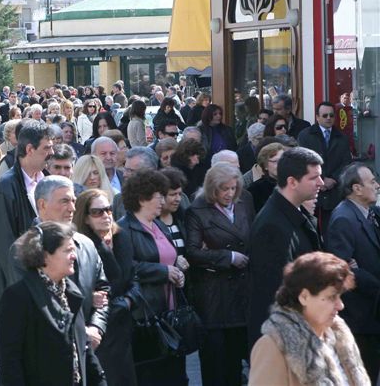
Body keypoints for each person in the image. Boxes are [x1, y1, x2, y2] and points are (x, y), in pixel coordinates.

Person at [0, 221, 107, 386]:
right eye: (67, 250)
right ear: (44, 256)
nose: (74, 256)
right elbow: (9, 362)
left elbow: (83, 349)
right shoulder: (18, 297)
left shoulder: (71, 292)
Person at [249, 252, 370, 386]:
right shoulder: (273, 346)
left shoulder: (340, 336)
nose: (340, 305)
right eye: (332, 297)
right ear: (304, 297)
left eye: (340, 296)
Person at [185, 163, 255, 386]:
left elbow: (252, 235)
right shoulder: (198, 210)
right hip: (215, 295)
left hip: (243, 291)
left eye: (233, 188)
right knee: (216, 361)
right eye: (224, 189)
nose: (229, 193)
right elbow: (192, 252)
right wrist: (228, 257)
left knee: (236, 358)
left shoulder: (244, 203)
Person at [247, 147, 324, 349]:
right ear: (292, 182)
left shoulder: (294, 214)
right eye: (314, 177)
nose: (321, 183)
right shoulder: (271, 226)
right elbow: (276, 293)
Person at [117, 169, 187, 385]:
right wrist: (164, 272)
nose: (163, 201)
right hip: (146, 314)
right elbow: (127, 268)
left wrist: (176, 269)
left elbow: (166, 256)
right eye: (159, 196)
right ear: (142, 198)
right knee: (153, 374)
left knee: (175, 373)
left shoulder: (158, 225)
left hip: (169, 310)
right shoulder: (124, 229)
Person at [0, 121, 54, 317]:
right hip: (21, 291)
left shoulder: (47, 179)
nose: (51, 152)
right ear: (30, 149)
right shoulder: (6, 187)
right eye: (47, 148)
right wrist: (25, 292)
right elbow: (5, 245)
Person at [74, 189, 139, 386]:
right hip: (100, 326)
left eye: (108, 210)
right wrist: (89, 296)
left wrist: (128, 300)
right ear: (85, 218)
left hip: (125, 320)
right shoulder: (82, 246)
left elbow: (134, 276)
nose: (106, 216)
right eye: (97, 212)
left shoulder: (122, 239)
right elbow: (74, 283)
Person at [326, 163, 380, 383]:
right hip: (361, 317)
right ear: (357, 189)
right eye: (372, 181)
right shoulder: (343, 219)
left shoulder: (372, 213)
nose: (377, 185)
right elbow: (343, 270)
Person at [298, 101, 352, 229]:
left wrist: (333, 179)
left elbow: (346, 163)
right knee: (311, 228)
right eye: (325, 115)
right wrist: (320, 179)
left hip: (334, 192)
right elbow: (302, 161)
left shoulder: (342, 138)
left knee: (333, 229)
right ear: (317, 117)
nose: (328, 118)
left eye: (331, 115)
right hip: (312, 190)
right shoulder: (305, 135)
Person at [247, 142, 285, 213]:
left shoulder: (294, 182)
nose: (281, 164)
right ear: (265, 165)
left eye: (283, 160)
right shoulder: (255, 190)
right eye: (275, 161)